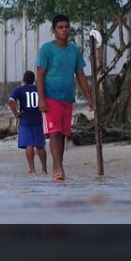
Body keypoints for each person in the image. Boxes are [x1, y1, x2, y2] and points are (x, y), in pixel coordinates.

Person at [37, 14, 97, 181]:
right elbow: (40, 75)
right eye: (60, 27)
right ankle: (59, 168)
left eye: (66, 27)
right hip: (50, 97)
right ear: (54, 30)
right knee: (54, 133)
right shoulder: (46, 49)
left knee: (63, 134)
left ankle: (58, 166)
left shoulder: (74, 50)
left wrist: (89, 98)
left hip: (67, 98)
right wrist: (41, 98)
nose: (64, 30)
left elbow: (80, 74)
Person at [8, 70, 47, 174]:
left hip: (25, 120)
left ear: (23, 80)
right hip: (39, 120)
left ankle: (32, 169)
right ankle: (44, 168)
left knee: (29, 145)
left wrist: (16, 113)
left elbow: (11, 100)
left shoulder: (19, 90)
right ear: (34, 80)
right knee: (40, 145)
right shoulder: (39, 89)